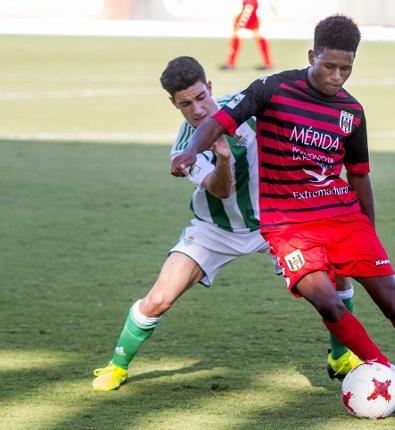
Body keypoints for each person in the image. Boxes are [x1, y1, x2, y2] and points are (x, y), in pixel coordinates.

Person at [171, 15, 395, 413]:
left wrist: (370, 230)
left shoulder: (352, 112)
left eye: (345, 68)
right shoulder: (273, 88)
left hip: (342, 216)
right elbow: (219, 122)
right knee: (328, 302)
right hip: (288, 225)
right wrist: (192, 151)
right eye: (328, 65)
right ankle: (384, 371)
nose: (336, 76)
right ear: (312, 55)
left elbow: (360, 176)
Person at [92, 56, 360, 391]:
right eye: (186, 103)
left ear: (211, 88)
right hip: (214, 231)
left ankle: (340, 356)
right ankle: (116, 366)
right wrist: (222, 156)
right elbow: (220, 190)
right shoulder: (182, 150)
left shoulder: (244, 106)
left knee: (333, 276)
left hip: (275, 223)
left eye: (201, 96)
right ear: (174, 103)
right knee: (159, 298)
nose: (198, 109)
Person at [220, 0, 272, 70]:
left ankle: (230, 63)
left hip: (249, 18)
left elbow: (248, 9)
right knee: (260, 39)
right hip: (252, 18)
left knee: (236, 38)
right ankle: (267, 63)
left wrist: (239, 24)